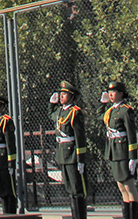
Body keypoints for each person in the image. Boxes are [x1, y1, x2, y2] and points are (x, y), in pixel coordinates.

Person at [97, 81, 138, 219]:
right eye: (109, 92)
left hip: (123, 151)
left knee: (129, 186)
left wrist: (133, 156)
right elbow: (99, 116)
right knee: (121, 187)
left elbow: (131, 134)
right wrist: (102, 104)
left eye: (114, 92)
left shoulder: (126, 110)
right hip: (113, 151)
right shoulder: (110, 111)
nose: (111, 94)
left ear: (121, 94)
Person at [49, 81, 87, 219]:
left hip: (72, 154)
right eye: (60, 93)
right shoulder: (60, 112)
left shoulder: (75, 112)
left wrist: (80, 159)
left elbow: (80, 138)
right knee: (69, 188)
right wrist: (52, 104)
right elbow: (51, 115)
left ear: (71, 96)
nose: (61, 96)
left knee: (77, 189)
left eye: (64, 94)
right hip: (62, 153)